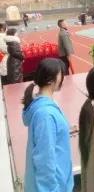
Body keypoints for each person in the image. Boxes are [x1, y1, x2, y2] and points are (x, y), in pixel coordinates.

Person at [22, 58, 74, 192]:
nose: (63, 78)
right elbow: (45, 159)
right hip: (54, 186)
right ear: (50, 80)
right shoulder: (45, 115)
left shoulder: (43, 105)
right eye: (60, 74)